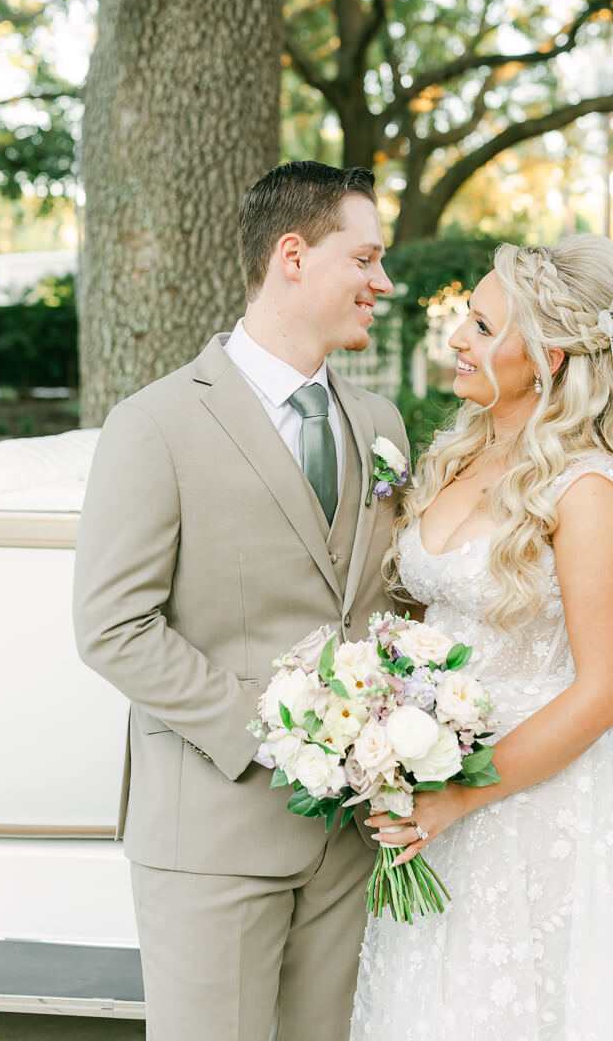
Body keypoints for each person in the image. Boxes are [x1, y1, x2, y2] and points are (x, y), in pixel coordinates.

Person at [351, 234, 613, 1040]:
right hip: (433, 782)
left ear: (549, 356)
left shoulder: (589, 489)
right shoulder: (452, 456)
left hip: (534, 808)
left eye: (480, 326)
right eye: (465, 321)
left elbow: (607, 690)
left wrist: (462, 794)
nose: (458, 341)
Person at [73, 161, 409, 1041]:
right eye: (366, 259)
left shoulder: (379, 425)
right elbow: (113, 627)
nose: (384, 282)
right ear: (292, 256)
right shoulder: (155, 424)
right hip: (213, 836)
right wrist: (276, 737)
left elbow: (383, 604)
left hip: (348, 842)